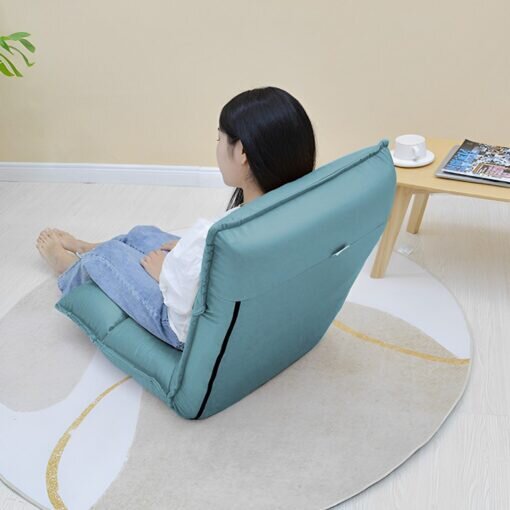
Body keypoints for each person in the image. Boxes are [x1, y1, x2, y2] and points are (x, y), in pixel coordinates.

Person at [35, 86, 317, 350]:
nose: (218, 146)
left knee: (105, 257)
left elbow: (190, 305)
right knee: (143, 234)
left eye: (220, 139)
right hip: (211, 282)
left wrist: (165, 276)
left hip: (181, 322)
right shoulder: (291, 209)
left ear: (242, 152)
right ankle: (86, 247)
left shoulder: (221, 234)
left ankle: (69, 267)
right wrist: (186, 256)